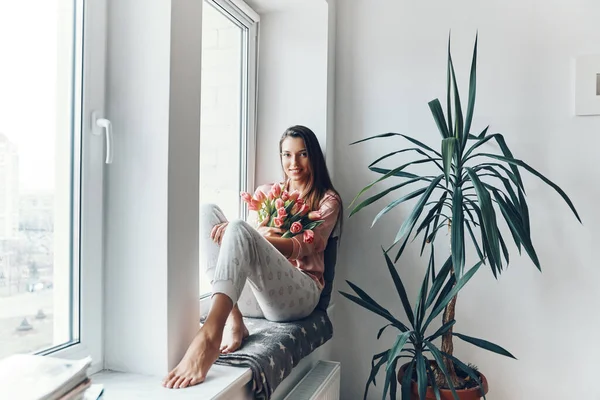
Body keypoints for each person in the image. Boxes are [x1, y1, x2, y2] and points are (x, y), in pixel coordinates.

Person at [163, 125, 342, 389]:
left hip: (299, 295)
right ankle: (234, 318)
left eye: (302, 154)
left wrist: (258, 236)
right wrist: (253, 234)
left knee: (238, 228)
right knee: (207, 213)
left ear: (313, 156)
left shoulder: (328, 201)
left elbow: (302, 246)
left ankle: (209, 336)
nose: (294, 163)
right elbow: (244, 248)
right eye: (287, 155)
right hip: (258, 297)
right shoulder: (266, 193)